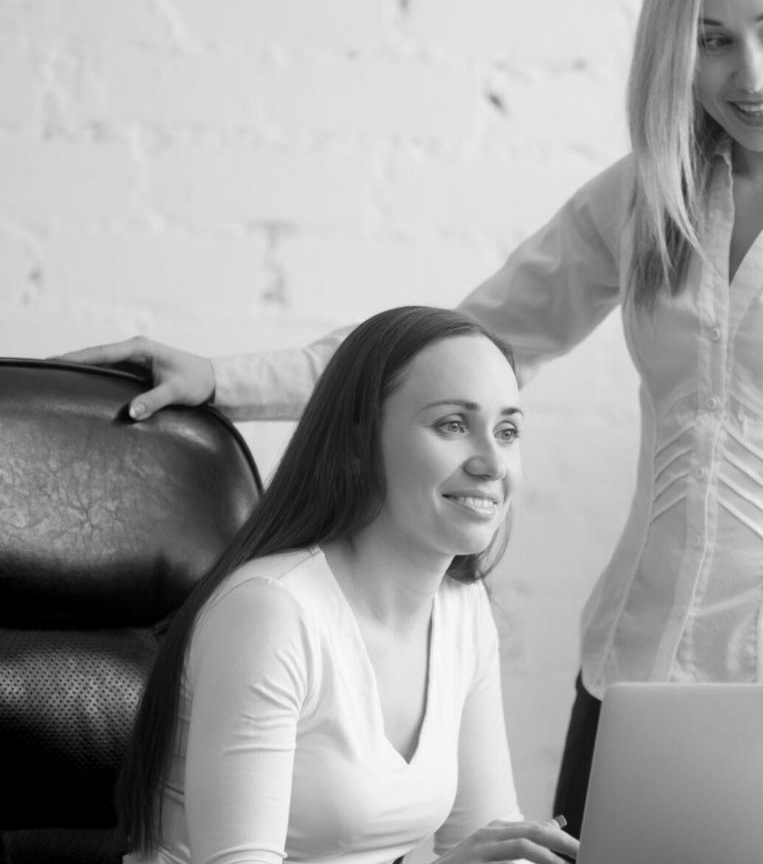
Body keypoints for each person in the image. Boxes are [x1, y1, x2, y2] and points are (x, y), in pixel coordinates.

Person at [67, 0, 763, 834]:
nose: (751, 74)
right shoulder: (649, 193)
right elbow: (465, 345)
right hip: (632, 675)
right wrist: (228, 380)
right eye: (711, 39)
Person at [116, 306, 580, 864]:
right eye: (452, 425)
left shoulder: (462, 609)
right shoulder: (271, 613)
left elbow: (489, 844)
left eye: (508, 431)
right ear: (361, 439)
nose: (492, 463)